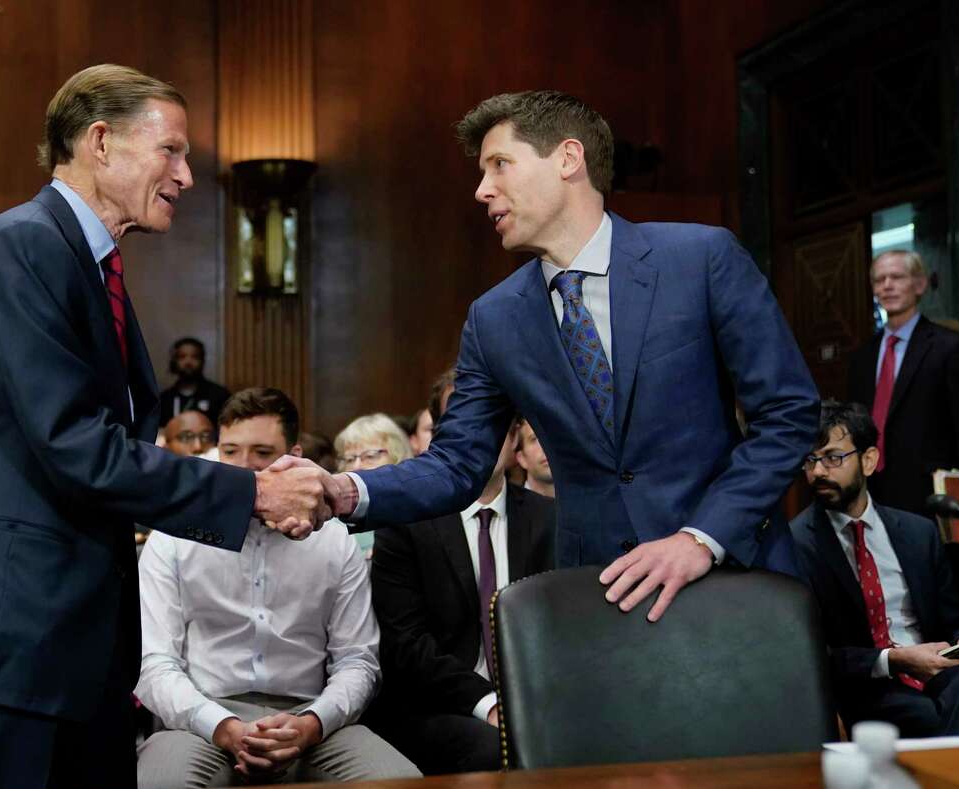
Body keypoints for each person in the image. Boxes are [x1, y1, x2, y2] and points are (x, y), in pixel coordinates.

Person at [0, 64, 331, 789]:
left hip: (69, 652)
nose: (188, 176)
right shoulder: (22, 247)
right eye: (173, 152)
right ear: (100, 142)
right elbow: (75, 445)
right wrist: (251, 491)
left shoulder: (90, 266)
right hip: (9, 649)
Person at [293, 90, 818, 622]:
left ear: (568, 159)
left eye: (500, 165)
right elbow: (457, 463)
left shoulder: (701, 259)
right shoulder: (494, 317)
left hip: (736, 582)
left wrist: (701, 538)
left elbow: (788, 414)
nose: (481, 191)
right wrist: (342, 490)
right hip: (602, 601)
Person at [135, 389, 419, 789]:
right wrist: (222, 726)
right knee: (158, 787)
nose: (243, 468)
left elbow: (358, 661)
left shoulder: (335, 541)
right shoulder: (174, 536)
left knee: (403, 784)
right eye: (231, 451)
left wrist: (312, 724)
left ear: (296, 456)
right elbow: (154, 664)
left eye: (263, 453)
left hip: (310, 718)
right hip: (201, 718)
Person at [367, 426, 555, 774]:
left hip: (536, 699)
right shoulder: (406, 521)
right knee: (495, 748)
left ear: (513, 438)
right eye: (464, 424)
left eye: (489, 423)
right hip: (435, 704)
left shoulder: (550, 518)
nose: (477, 437)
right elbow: (406, 646)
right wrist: (490, 704)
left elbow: (562, 631)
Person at [790, 401, 959, 736]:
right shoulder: (796, 544)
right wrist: (895, 659)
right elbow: (806, 654)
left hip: (939, 673)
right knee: (933, 717)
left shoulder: (919, 532)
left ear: (868, 460)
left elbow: (954, 621)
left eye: (833, 457)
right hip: (866, 686)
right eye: (810, 460)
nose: (818, 472)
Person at [846, 250, 959, 518]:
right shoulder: (861, 357)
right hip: (870, 494)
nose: (887, 285)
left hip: (929, 497)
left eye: (897, 277)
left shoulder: (950, 347)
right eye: (879, 280)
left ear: (919, 284)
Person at [333, 414, 412, 559]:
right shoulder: (334, 523)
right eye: (350, 459)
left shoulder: (416, 512)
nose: (356, 466)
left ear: (398, 456)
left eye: (370, 456)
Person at [157, 337, 232, 428]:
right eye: (182, 357)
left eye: (195, 357)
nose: (188, 362)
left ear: (202, 361)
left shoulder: (219, 395)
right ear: (174, 361)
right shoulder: (164, 399)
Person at [515, 418, 554, 498]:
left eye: (552, 436)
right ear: (521, 459)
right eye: (534, 439)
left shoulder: (583, 501)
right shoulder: (509, 508)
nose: (546, 446)